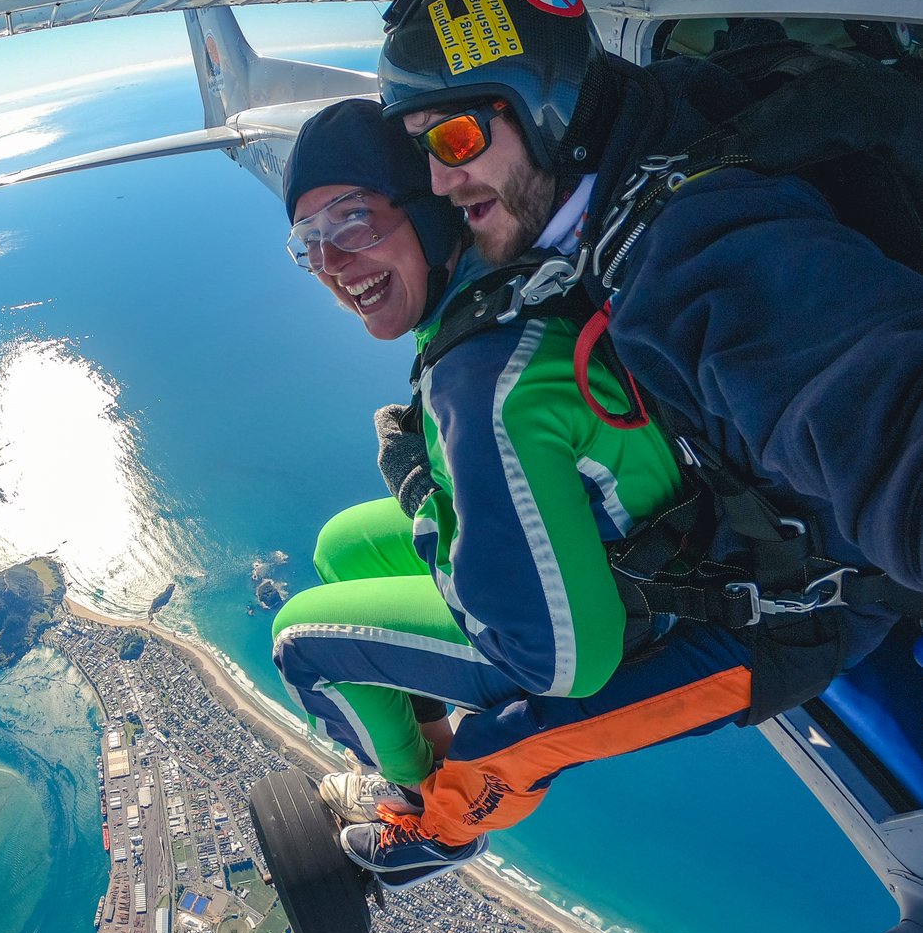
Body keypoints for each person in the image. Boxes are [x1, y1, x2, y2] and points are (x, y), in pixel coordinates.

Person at [378, 0, 923, 725]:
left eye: (453, 139)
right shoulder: (664, 117)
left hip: (809, 615)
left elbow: (874, 418)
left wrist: (422, 496)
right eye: (424, 153)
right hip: (747, 529)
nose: (442, 184)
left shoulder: (697, 257)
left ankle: (429, 822)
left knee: (499, 744)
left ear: (541, 105)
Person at [272, 98, 755, 890]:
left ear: (427, 209)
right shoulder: (497, 285)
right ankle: (415, 762)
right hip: (646, 536)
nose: (332, 260)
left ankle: (431, 820)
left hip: (629, 612)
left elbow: (566, 661)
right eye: (310, 242)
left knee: (300, 644)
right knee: (342, 548)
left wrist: (427, 496)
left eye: (353, 220)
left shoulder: (480, 377)